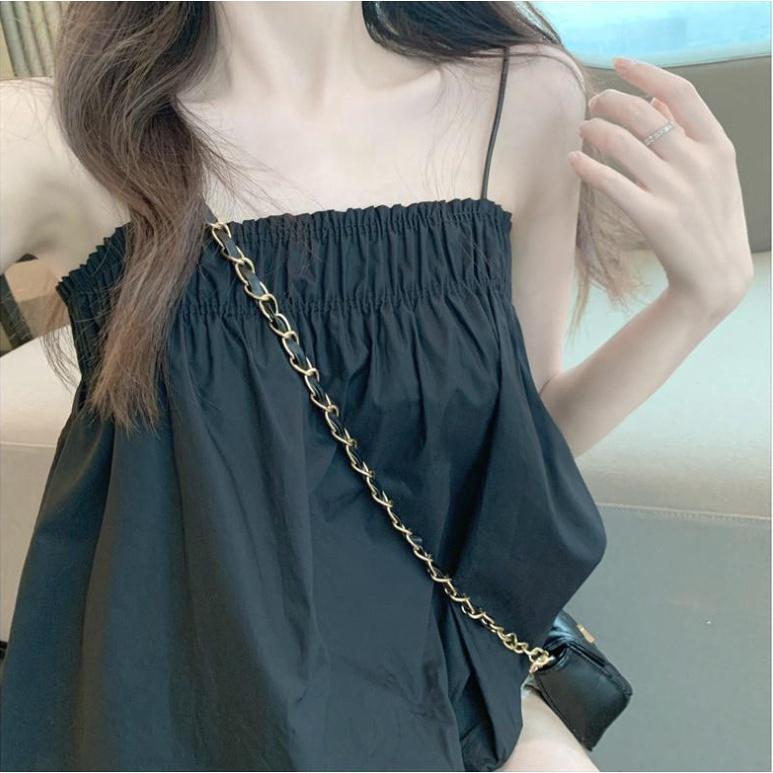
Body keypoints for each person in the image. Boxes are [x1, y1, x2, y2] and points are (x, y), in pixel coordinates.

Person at [0, 3, 752, 771]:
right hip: (185, 699)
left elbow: (520, 443)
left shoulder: (519, 97)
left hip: (432, 680)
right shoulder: (56, 135)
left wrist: (695, 303)